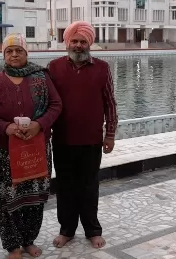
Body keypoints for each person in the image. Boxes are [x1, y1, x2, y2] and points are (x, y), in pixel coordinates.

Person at [0, 33, 62, 259]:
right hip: (7, 152)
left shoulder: (41, 78)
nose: (14, 54)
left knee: (34, 197)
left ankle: (28, 240)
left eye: (19, 50)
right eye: (9, 51)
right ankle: (13, 246)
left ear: (26, 53)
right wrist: (5, 127)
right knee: (8, 199)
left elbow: (56, 105)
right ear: (4, 55)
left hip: (37, 149)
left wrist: (39, 124)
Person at [47, 21, 118, 249]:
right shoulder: (54, 67)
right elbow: (46, 103)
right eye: (74, 41)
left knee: (89, 186)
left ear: (90, 43)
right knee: (65, 186)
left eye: (83, 41)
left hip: (91, 140)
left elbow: (110, 103)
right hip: (62, 139)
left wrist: (110, 134)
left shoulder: (102, 68)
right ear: (67, 42)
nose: (78, 45)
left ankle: (92, 230)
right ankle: (66, 229)